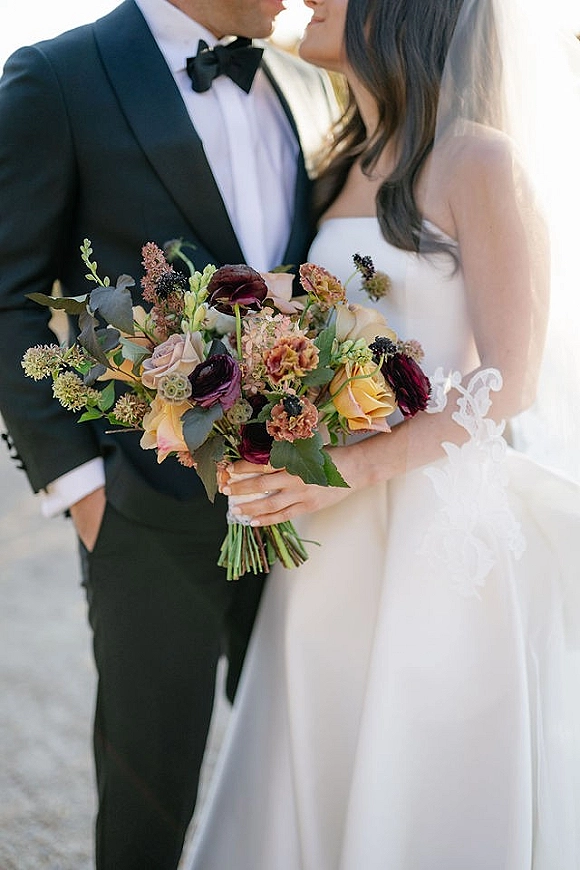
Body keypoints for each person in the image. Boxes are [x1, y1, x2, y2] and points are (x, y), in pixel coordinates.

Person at [182, 0, 580, 867]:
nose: (312, 0)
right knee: (314, 751)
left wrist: (350, 471)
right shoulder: (336, 164)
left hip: (427, 534)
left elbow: (506, 378)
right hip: (324, 530)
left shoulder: (479, 159)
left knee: (413, 772)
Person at [0, 2, 337, 868]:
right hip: (145, 514)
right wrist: (80, 489)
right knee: (148, 808)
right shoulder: (59, 76)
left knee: (314, 778)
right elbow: (11, 292)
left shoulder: (307, 83)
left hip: (308, 515)